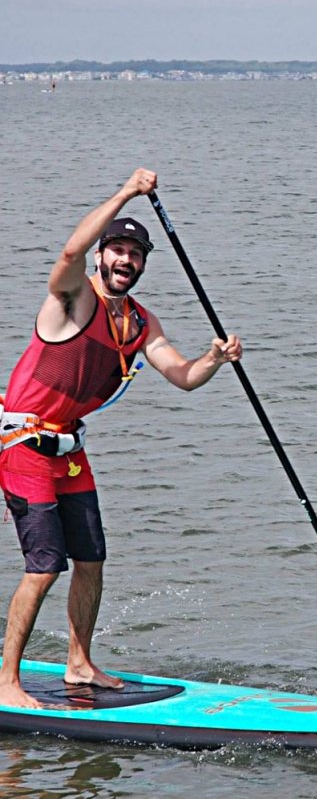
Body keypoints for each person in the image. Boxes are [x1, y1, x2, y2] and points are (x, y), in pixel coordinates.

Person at [0, 168, 242, 708]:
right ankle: (6, 681)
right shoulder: (72, 298)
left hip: (69, 451)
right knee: (43, 568)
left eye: (135, 254)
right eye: (117, 250)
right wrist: (127, 193)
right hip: (22, 448)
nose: (125, 261)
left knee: (91, 560)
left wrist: (215, 359)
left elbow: (181, 375)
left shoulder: (139, 322)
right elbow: (68, 252)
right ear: (103, 254)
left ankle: (79, 662)